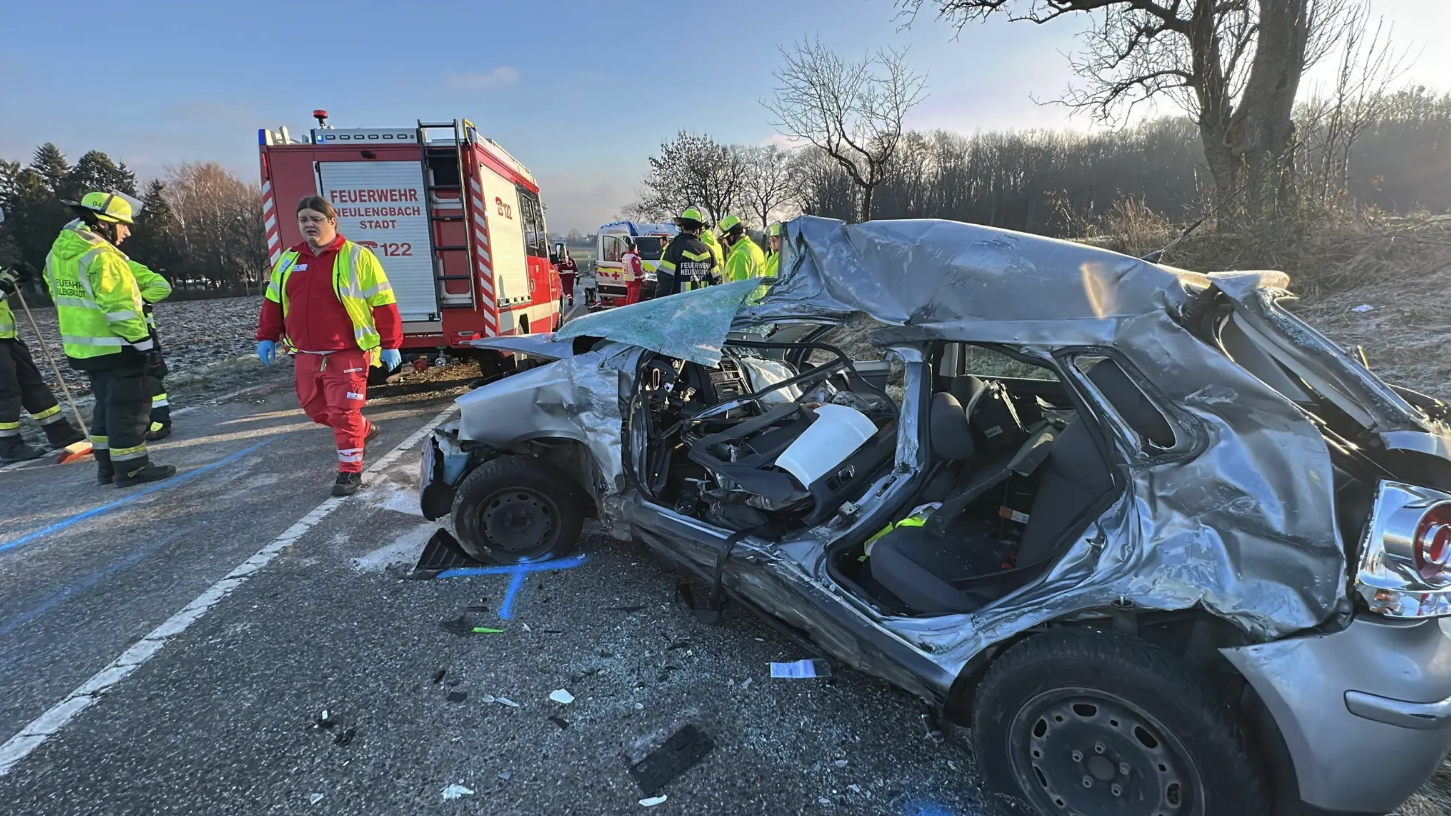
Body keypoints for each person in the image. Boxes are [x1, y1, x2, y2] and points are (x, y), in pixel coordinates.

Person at [256, 196, 403, 497]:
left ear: (332, 222)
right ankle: (364, 430)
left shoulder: (357, 256)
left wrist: (390, 343)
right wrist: (266, 336)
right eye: (303, 219)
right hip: (306, 354)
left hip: (347, 352)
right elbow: (273, 302)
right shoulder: (289, 259)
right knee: (315, 409)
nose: (309, 224)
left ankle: (349, 472)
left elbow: (383, 303)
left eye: (316, 218)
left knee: (344, 412)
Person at [43, 191, 174, 486]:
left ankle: (107, 467)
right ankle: (131, 467)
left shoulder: (58, 253)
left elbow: (57, 294)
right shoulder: (102, 257)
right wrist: (144, 345)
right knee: (131, 407)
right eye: (123, 224)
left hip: (83, 348)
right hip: (117, 345)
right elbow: (121, 309)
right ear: (103, 224)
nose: (126, 231)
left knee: (105, 405)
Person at [0, 264, 87, 462]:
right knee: (6, 392)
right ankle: (8, 447)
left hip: (8, 337)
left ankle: (60, 432)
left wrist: (14, 281)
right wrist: (4, 284)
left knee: (33, 386)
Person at [129, 261, 174, 440]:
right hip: (106, 332)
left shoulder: (123, 264)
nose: (127, 232)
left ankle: (159, 420)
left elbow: (162, 286)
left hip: (141, 331)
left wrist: (135, 303)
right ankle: (139, 421)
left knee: (150, 374)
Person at [655, 207, 718, 297]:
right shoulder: (708, 250)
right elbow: (717, 282)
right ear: (698, 230)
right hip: (703, 307)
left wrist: (660, 307)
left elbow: (664, 282)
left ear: (682, 228)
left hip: (679, 308)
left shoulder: (673, 249)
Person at [718, 215, 767, 282]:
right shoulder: (756, 249)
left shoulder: (739, 255)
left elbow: (738, 289)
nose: (724, 242)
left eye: (724, 238)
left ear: (732, 236)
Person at [621, 240, 645, 305]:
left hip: (627, 279)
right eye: (636, 248)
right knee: (634, 296)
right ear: (634, 249)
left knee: (629, 295)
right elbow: (637, 270)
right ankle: (631, 310)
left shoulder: (625, 256)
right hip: (635, 280)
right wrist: (643, 279)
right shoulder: (633, 258)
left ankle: (627, 308)